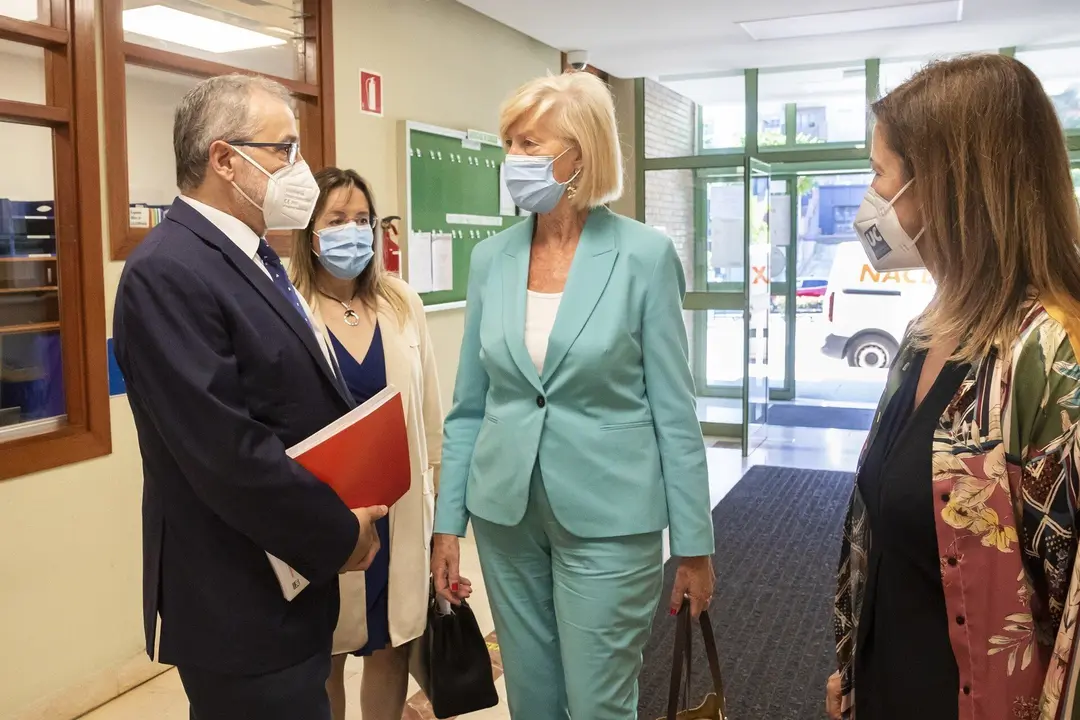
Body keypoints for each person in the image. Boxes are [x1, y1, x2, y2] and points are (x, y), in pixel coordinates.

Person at [430, 71, 716, 719]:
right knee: (532, 698)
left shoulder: (643, 256)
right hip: (505, 515)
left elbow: (675, 410)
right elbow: (470, 404)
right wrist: (448, 525)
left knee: (597, 702)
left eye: (529, 144)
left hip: (611, 517)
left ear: (579, 152)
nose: (513, 160)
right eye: (508, 144)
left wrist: (695, 545)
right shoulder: (491, 258)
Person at [113, 74, 387, 720]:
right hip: (238, 604)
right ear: (224, 160)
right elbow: (227, 454)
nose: (302, 171)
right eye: (284, 150)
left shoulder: (252, 257)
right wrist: (338, 534)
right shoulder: (168, 272)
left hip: (287, 594)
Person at [827, 54, 1080, 720]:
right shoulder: (927, 328)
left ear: (945, 187)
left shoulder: (1052, 355)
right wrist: (854, 662)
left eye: (880, 173)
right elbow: (886, 526)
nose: (869, 196)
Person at [289, 167, 465, 720]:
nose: (353, 232)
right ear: (310, 232)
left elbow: (432, 414)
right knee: (327, 657)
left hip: (402, 509)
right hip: (329, 513)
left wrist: (444, 522)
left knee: (393, 645)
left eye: (362, 220)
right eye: (336, 220)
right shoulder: (289, 306)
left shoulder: (400, 302)